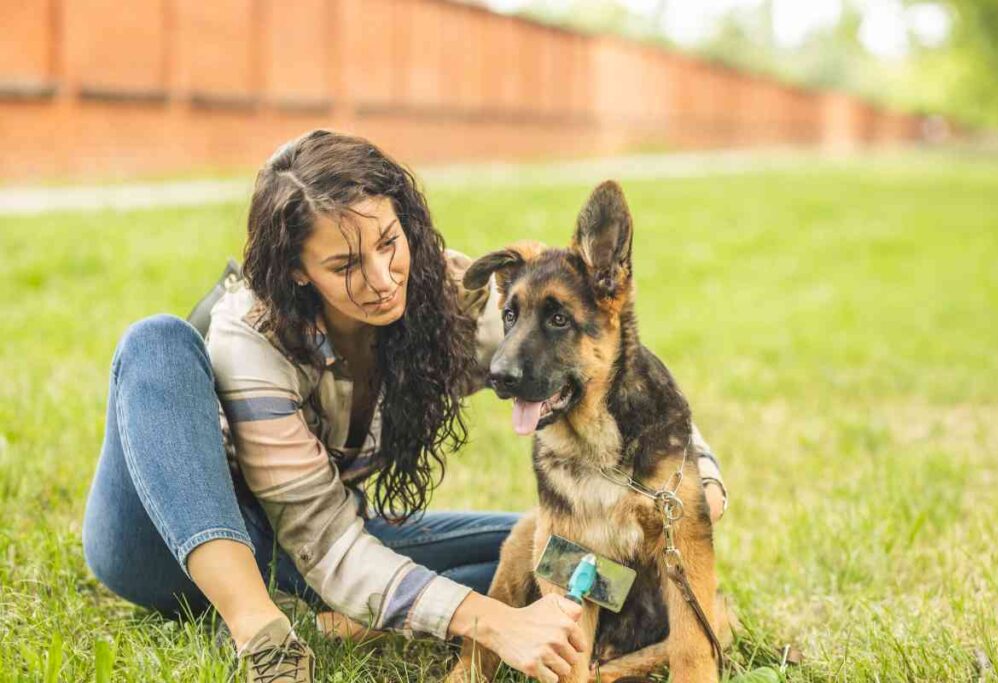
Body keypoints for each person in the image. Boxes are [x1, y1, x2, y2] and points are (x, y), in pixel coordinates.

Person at [81, 130, 727, 682]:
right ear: (298, 270)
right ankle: (260, 630)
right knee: (157, 341)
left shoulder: (435, 298)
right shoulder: (251, 330)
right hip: (170, 545)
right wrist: (491, 622)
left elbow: (603, 363)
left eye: (389, 242)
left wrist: (694, 482)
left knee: (546, 549)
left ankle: (327, 616)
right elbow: (326, 542)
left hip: (309, 553)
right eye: (346, 265)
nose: (382, 279)